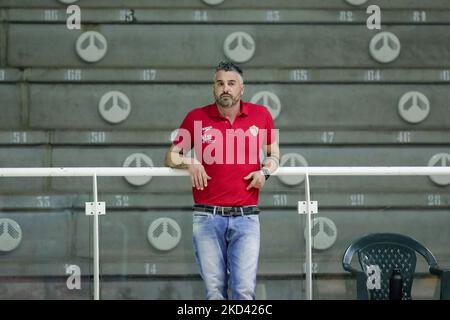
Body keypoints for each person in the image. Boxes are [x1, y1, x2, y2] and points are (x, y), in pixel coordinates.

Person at [164, 61, 280, 300]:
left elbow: (275, 155)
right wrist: (191, 162)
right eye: (220, 84)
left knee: (244, 291)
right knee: (214, 293)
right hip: (207, 217)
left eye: (231, 83)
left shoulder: (262, 115)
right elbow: (170, 156)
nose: (225, 88)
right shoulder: (196, 117)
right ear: (213, 88)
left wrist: (265, 173)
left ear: (242, 88)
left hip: (247, 217)